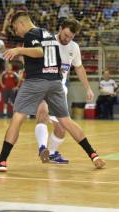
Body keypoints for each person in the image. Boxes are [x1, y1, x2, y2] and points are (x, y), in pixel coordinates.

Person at [0, 12, 105, 172]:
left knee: (17, 117)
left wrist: (19, 50)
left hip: (37, 81)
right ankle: (93, 155)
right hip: (56, 82)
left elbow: (39, 51)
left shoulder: (31, 34)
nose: (16, 32)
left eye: (15, 28)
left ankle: (2, 161)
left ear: (22, 24)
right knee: (66, 121)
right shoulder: (48, 34)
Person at [34, 19, 94, 164]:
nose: (67, 39)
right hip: (43, 86)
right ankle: (42, 148)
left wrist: (88, 88)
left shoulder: (74, 47)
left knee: (61, 129)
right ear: (60, 29)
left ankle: (52, 153)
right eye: (66, 35)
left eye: (71, 37)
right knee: (42, 112)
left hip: (60, 90)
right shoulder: (47, 42)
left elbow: (79, 68)